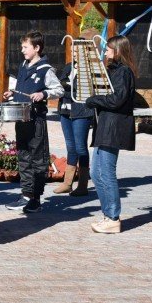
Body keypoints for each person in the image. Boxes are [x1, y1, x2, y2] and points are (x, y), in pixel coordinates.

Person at [4, 31, 64, 213]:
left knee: (38, 159)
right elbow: (22, 89)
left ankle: (35, 199)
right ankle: (25, 195)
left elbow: (59, 89)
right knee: (23, 156)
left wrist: (44, 94)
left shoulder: (46, 69)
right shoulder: (24, 65)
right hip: (21, 119)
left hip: (36, 120)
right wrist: (12, 94)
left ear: (36, 48)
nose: (22, 50)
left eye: (25, 47)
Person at [84, 35, 137, 234]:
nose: (105, 52)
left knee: (106, 173)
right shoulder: (114, 71)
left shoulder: (123, 72)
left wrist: (94, 100)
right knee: (95, 173)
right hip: (105, 126)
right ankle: (107, 214)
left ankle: (113, 217)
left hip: (114, 127)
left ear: (118, 51)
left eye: (108, 49)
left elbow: (116, 100)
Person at [55, 61, 95, 196]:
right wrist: (68, 87)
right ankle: (67, 184)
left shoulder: (90, 69)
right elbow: (60, 86)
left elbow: (83, 91)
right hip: (65, 110)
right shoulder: (68, 66)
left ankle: (83, 185)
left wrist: (68, 87)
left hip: (81, 111)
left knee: (80, 147)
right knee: (70, 147)